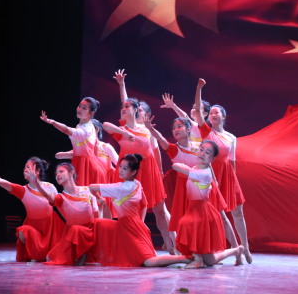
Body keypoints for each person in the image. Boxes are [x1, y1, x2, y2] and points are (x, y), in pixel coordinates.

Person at [143, 114, 238, 249]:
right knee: (188, 221)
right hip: (186, 189)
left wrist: (214, 181)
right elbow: (161, 138)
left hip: (206, 185)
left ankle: (236, 248)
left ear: (188, 129)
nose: (175, 130)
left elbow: (208, 164)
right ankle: (193, 250)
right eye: (173, 128)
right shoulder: (173, 149)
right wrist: (151, 129)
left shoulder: (199, 146)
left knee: (221, 217)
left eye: (179, 126)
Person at [89, 154, 192, 267]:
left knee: (148, 261)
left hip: (130, 227)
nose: (121, 170)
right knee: (98, 223)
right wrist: (141, 223)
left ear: (133, 172)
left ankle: (185, 259)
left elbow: (91, 187)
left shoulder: (121, 188)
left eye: (125, 168)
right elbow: (144, 204)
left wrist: (99, 198)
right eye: (120, 167)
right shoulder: (137, 184)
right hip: (132, 225)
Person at [102, 97, 175, 253]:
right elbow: (105, 125)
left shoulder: (145, 129)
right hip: (129, 173)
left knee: (160, 211)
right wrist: (124, 132)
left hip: (149, 172)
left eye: (127, 106)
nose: (123, 109)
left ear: (135, 110)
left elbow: (155, 150)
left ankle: (170, 245)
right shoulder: (121, 130)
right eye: (122, 107)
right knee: (128, 211)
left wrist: (159, 171)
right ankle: (131, 245)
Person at [193, 78, 253, 264]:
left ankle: (246, 248)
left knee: (238, 212)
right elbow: (198, 109)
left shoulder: (231, 137)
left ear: (224, 117)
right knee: (220, 215)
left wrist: (233, 181)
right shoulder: (206, 132)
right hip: (212, 175)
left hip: (228, 175)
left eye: (216, 112)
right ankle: (236, 250)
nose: (212, 115)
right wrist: (199, 88)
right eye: (210, 113)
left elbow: (232, 161)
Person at [0, 158, 63, 262]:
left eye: (28, 167)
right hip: (34, 227)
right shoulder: (23, 190)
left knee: (53, 256)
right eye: (24, 167)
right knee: (23, 232)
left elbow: (59, 205)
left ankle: (44, 253)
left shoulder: (50, 187)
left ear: (37, 171)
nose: (24, 169)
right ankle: (36, 253)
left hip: (51, 227)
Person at [173, 140, 244, 268]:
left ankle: (198, 260)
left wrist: (187, 162)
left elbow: (176, 166)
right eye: (201, 150)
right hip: (194, 209)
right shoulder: (195, 169)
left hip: (202, 212)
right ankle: (236, 250)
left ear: (212, 159)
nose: (202, 154)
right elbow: (177, 165)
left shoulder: (204, 174)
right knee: (210, 261)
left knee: (187, 223)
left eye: (207, 152)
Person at [27, 162, 98, 265]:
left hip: (89, 231)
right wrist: (36, 182)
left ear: (71, 173)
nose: (58, 175)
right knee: (49, 257)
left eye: (61, 171)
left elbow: (96, 212)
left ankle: (85, 252)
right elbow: (47, 195)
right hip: (72, 234)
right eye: (56, 173)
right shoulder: (61, 198)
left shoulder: (87, 190)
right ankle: (78, 252)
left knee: (79, 229)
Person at [40, 97, 108, 186]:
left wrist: (52, 122)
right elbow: (83, 147)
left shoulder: (87, 129)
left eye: (84, 108)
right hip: (80, 162)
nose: (80, 109)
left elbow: (66, 130)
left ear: (91, 113)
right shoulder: (81, 125)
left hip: (87, 167)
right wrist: (70, 154)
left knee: (82, 192)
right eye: (79, 106)